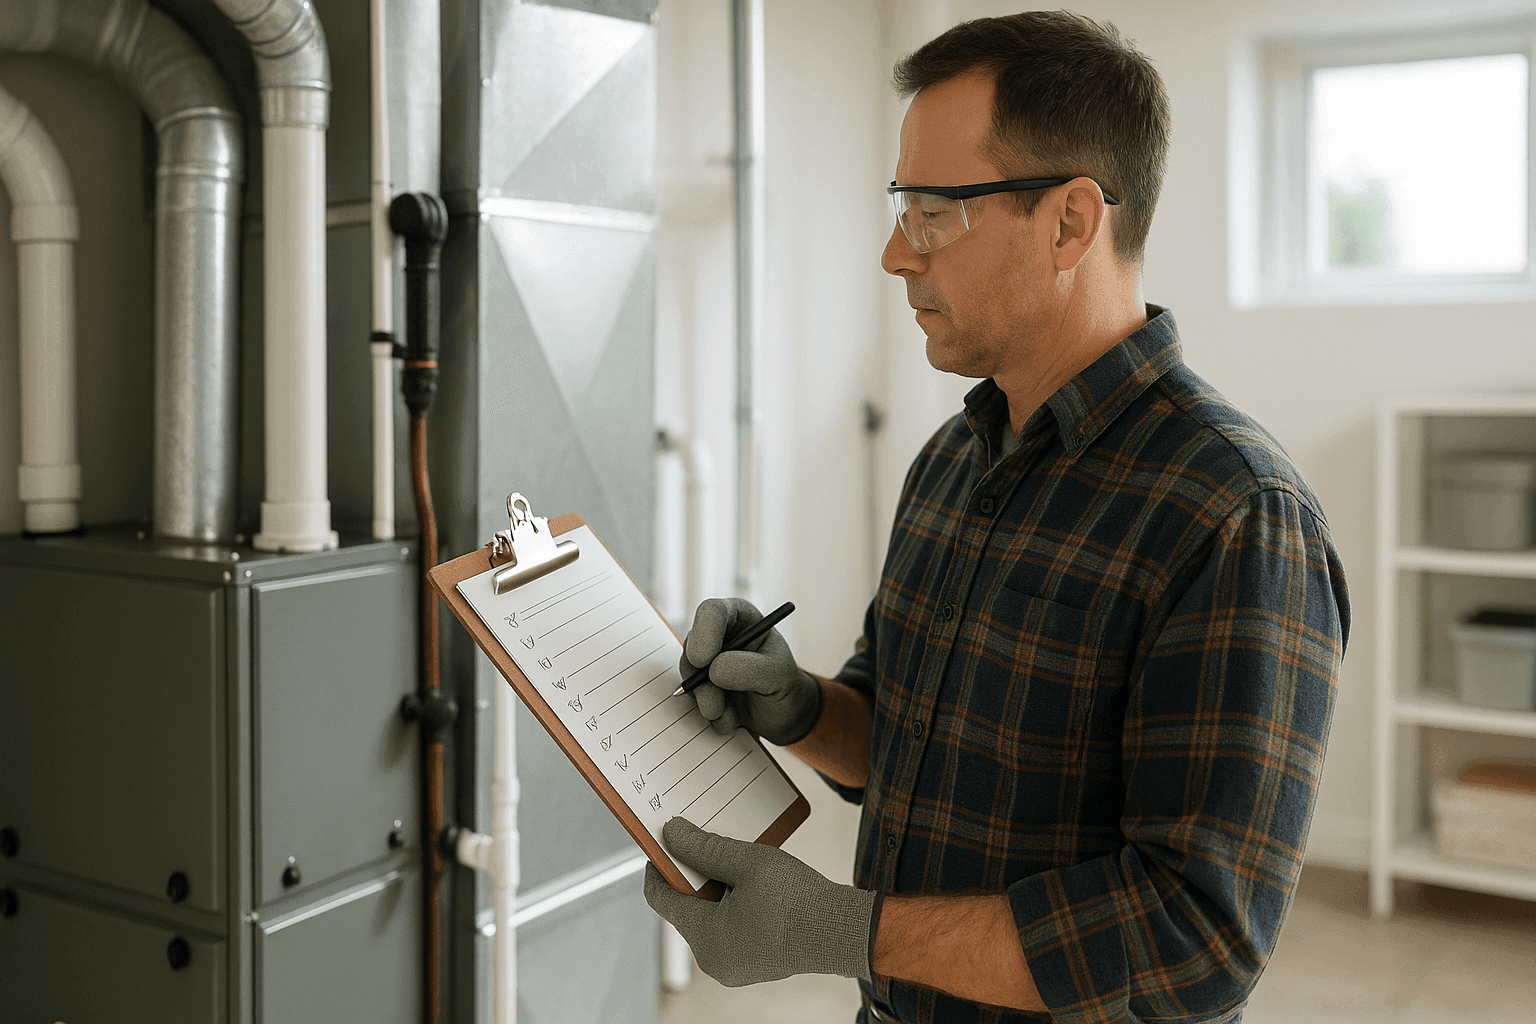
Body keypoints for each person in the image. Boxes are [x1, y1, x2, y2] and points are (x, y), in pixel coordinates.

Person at [644, 11, 1349, 1024]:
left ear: (1070, 223)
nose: (895, 253)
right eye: (902, 208)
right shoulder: (954, 458)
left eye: (933, 212)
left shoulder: (1234, 513)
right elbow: (904, 743)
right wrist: (796, 707)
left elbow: (1196, 934)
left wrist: (843, 930)